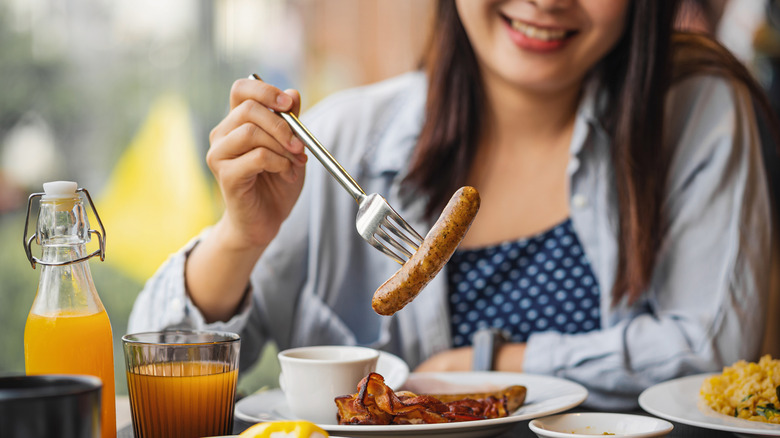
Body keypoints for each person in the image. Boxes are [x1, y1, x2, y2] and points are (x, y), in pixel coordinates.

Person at [129, 0, 774, 409]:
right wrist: (239, 237)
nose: (546, 3)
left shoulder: (696, 112)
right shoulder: (345, 139)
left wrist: (479, 367)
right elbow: (152, 388)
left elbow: (711, 351)